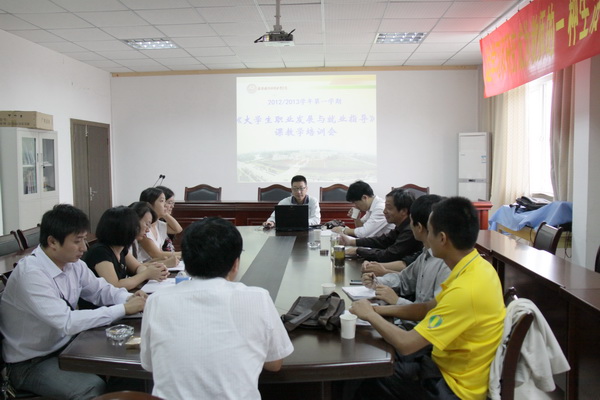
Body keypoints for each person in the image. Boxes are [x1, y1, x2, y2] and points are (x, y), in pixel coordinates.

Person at [349, 197, 506, 400]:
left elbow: (407, 343)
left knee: (368, 374)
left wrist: (370, 316)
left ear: (442, 238)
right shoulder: (474, 267)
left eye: (430, 232)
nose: (426, 238)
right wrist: (376, 310)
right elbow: (426, 308)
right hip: (441, 363)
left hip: (452, 387)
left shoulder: (466, 290)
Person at [0, 204, 147, 400]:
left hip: (67, 345)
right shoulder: (31, 274)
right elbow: (66, 322)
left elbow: (100, 290)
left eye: (84, 239)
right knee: (91, 388)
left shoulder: (73, 264)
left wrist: (128, 298)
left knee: (128, 367)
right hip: (31, 362)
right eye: (77, 241)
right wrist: (123, 309)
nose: (84, 248)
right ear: (52, 242)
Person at [141, 217, 294, 400]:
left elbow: (149, 364)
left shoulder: (157, 301)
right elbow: (274, 363)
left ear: (186, 263)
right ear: (235, 264)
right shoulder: (257, 298)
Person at [361, 194, 450, 330]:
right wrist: (378, 281)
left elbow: (435, 317)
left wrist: (396, 301)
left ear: (419, 227)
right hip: (409, 323)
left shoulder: (446, 264)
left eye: (410, 220)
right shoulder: (426, 254)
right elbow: (404, 280)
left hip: (421, 332)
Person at [82, 206, 169, 292]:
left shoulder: (121, 248)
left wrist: (152, 272)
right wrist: (146, 274)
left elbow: (137, 267)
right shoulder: (100, 252)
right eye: (135, 227)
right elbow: (115, 285)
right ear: (124, 229)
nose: (147, 230)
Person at [339, 188, 422, 264]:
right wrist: (352, 242)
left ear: (403, 211)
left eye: (389, 208)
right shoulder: (401, 226)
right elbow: (383, 241)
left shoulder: (410, 230)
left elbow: (389, 255)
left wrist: (358, 250)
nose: (384, 211)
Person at [137, 187, 182, 262]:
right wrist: (184, 254)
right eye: (162, 201)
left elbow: (177, 229)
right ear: (150, 204)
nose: (165, 205)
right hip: (145, 266)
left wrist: (165, 214)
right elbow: (156, 254)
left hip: (157, 264)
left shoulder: (158, 224)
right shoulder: (144, 228)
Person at [155, 185, 182, 251]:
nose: (172, 206)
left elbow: (178, 229)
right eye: (170, 203)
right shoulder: (151, 224)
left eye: (173, 203)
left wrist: (164, 213)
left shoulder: (160, 223)